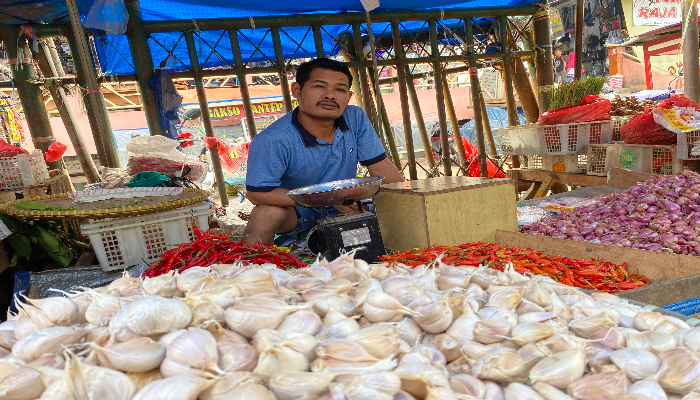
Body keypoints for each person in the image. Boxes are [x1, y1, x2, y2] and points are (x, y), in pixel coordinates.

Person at [243, 58, 405, 244]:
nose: (330, 95)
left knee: (397, 204)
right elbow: (256, 194)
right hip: (298, 210)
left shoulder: (355, 117)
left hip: (346, 204)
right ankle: (250, 265)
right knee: (265, 213)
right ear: (297, 90)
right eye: (320, 87)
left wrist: (409, 198)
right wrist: (326, 199)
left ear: (349, 96)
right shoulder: (273, 139)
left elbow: (379, 166)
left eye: (339, 89)